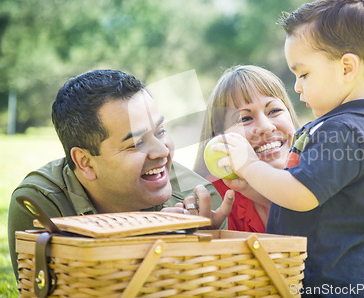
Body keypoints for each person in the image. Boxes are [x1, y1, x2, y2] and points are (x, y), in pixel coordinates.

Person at [213, 0, 364, 297]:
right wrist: (256, 187)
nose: (296, 86)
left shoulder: (343, 129)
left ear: (346, 68)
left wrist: (249, 164)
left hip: (332, 286)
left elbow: (302, 194)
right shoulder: (354, 124)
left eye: (304, 74)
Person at [8, 69, 234, 280]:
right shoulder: (41, 204)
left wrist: (200, 246)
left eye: (160, 131)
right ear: (85, 163)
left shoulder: (200, 201)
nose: (163, 151)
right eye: (136, 143)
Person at [194, 65, 300, 232]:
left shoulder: (322, 169)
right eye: (245, 118)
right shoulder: (213, 200)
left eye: (274, 110)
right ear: (220, 138)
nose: (266, 127)